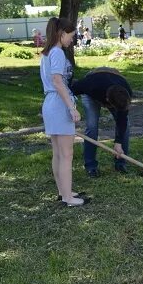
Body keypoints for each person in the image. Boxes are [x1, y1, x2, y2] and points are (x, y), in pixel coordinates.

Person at [39, 17, 85, 206]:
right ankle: (67, 198)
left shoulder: (47, 53)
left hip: (50, 102)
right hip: (58, 103)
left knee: (58, 153)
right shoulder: (57, 53)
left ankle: (63, 191)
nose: (71, 40)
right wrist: (71, 107)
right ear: (62, 33)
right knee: (66, 154)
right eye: (71, 36)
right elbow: (58, 82)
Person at [71, 67, 132, 177]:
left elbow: (122, 120)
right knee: (92, 126)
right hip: (93, 89)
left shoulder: (125, 94)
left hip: (114, 83)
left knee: (125, 126)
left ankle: (121, 163)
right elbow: (71, 91)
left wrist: (118, 143)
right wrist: (71, 109)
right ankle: (91, 166)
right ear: (108, 101)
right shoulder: (90, 85)